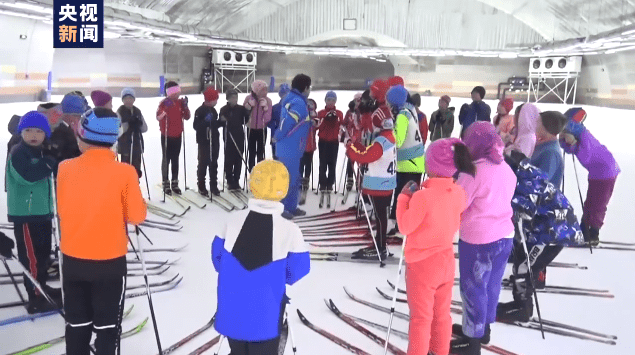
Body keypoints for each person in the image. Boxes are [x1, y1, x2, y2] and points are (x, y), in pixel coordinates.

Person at [58, 107, 147, 354]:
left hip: (74, 258)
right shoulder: (125, 172)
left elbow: (63, 208)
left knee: (77, 323)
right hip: (109, 261)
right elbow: (137, 216)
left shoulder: (65, 168)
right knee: (106, 325)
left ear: (82, 136)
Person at [212, 160, 310, 355]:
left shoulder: (231, 221)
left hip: (231, 312)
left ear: (252, 184)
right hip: (266, 316)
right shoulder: (290, 230)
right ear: (284, 189)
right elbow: (298, 270)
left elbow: (217, 259)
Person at [396, 138, 468, 355]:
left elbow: (405, 226)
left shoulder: (423, 197)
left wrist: (403, 199)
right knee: (441, 315)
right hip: (446, 260)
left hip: (422, 265)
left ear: (431, 166)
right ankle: (439, 351)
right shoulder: (459, 192)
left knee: (421, 318)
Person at [450, 122, 517, 355]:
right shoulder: (505, 168)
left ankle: (472, 342)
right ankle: (483, 328)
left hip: (478, 240)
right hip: (504, 236)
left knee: (473, 288)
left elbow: (457, 204)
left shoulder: (473, 172)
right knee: (491, 285)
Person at [497, 150, 584, 323]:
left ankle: (522, 308)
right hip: (543, 230)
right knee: (523, 260)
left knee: (524, 266)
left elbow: (524, 211)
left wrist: (508, 206)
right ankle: (522, 304)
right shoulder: (525, 174)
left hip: (553, 233)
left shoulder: (525, 183)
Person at [6, 111, 60, 314]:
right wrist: (49, 163)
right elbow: (28, 176)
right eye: (28, 130)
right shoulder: (18, 152)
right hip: (26, 215)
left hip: (41, 212)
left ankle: (41, 287)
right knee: (32, 258)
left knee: (43, 254)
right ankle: (35, 297)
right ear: (21, 132)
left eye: (39, 130)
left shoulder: (40, 152)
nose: (34, 135)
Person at [559, 108, 620, 246]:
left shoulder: (585, 136)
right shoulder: (581, 134)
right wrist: (565, 142)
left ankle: (593, 232)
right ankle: (585, 228)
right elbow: (574, 151)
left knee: (598, 203)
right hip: (596, 172)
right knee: (591, 201)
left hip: (606, 172)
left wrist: (573, 143)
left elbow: (586, 156)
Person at [345, 117, 397, 260]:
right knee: (381, 217)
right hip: (385, 184)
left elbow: (366, 157)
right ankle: (380, 243)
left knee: (380, 218)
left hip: (379, 185)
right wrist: (355, 145)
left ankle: (380, 247)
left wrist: (351, 150)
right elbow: (369, 152)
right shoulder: (389, 138)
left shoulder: (382, 142)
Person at [386, 85, 425, 232]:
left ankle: (399, 225)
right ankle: (404, 224)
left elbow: (398, 140)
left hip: (408, 164)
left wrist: (387, 132)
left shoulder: (402, 115)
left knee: (402, 196)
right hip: (415, 162)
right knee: (410, 197)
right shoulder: (410, 111)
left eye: (389, 102)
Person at [274, 74, 312, 219]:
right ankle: (282, 208)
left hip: (293, 146)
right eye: (309, 87)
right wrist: (278, 135)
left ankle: (290, 206)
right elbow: (287, 122)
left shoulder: (293, 99)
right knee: (287, 179)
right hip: (289, 147)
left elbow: (297, 121)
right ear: (306, 87)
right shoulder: (298, 102)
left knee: (294, 179)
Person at [157, 81, 191, 195]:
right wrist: (165, 111)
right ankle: (165, 182)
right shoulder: (164, 103)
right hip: (166, 135)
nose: (177, 95)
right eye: (174, 93)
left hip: (177, 135)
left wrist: (186, 106)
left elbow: (187, 117)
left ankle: (175, 182)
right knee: (166, 158)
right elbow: (158, 116)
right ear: (169, 93)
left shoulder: (181, 102)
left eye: (178, 92)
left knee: (175, 159)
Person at [193, 87, 221, 196]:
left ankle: (213, 185)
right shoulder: (199, 111)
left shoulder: (213, 111)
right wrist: (205, 121)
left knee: (214, 163)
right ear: (209, 100)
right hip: (204, 141)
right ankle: (201, 185)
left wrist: (221, 122)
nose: (216, 101)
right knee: (203, 163)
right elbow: (196, 126)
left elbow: (214, 125)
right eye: (215, 99)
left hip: (214, 140)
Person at [220, 89, 250, 191]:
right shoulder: (224, 109)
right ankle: (229, 180)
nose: (235, 99)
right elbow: (221, 121)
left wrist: (247, 111)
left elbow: (245, 120)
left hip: (239, 136)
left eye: (236, 97)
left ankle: (236, 180)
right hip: (228, 137)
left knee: (238, 159)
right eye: (232, 97)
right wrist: (222, 119)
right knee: (229, 159)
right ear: (228, 98)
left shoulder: (240, 108)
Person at [316, 91, 343, 199]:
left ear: (335, 101)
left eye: (332, 100)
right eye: (328, 100)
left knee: (332, 164)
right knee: (322, 163)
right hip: (323, 141)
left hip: (333, 142)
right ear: (325, 101)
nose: (330, 102)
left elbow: (341, 126)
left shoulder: (339, 113)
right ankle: (322, 183)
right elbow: (317, 127)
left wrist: (336, 120)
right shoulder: (321, 113)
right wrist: (325, 119)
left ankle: (330, 183)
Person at [530, 111, 568, 187]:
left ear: (547, 127)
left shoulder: (551, 153)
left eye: (538, 122)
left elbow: (540, 182)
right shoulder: (543, 145)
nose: (534, 125)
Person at [117, 88, 147, 179]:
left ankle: (135, 184)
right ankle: (125, 187)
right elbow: (118, 131)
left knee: (136, 168)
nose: (128, 101)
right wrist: (128, 124)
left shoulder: (137, 111)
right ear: (123, 100)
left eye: (130, 98)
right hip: (125, 145)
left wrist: (139, 124)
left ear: (134, 99)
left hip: (137, 145)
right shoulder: (119, 112)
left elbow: (145, 128)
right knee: (125, 168)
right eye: (126, 98)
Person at [244, 80, 272, 171]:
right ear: (257, 90)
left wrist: (265, 108)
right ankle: (251, 171)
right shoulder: (248, 98)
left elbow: (268, 119)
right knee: (251, 152)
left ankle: (260, 171)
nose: (265, 92)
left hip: (262, 129)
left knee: (261, 152)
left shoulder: (268, 100)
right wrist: (249, 106)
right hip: (251, 129)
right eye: (263, 90)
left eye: (266, 90)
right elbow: (244, 115)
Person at [299, 98, 318, 205]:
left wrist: (313, 121)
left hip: (310, 145)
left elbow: (318, 123)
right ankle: (300, 182)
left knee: (308, 165)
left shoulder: (314, 114)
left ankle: (306, 182)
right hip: (301, 146)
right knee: (301, 165)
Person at [268, 84, 291, 159]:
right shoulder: (274, 108)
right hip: (277, 140)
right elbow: (269, 122)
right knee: (277, 164)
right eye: (283, 94)